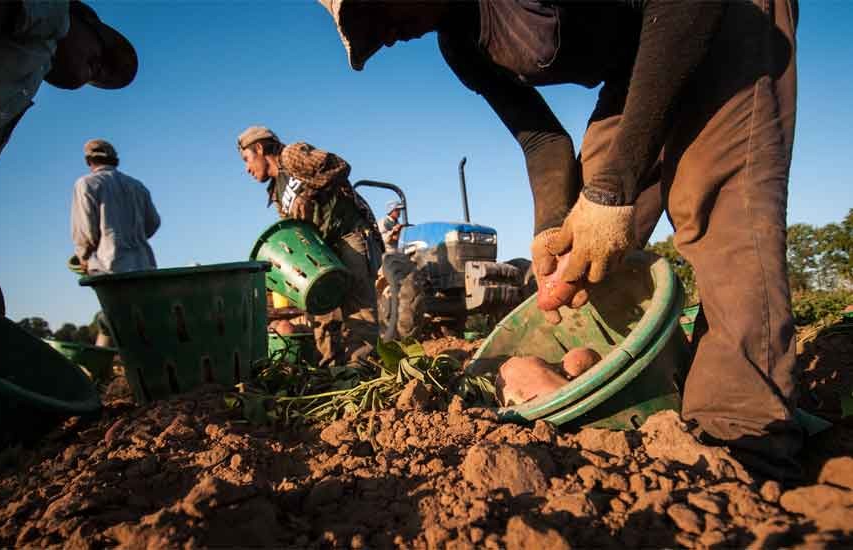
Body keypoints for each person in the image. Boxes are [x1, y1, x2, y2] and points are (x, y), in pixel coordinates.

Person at [319, 0, 802, 480]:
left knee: (714, 203)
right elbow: (543, 141)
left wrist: (611, 191)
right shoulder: (462, 47)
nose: (382, 39)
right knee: (586, 239)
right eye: (366, 35)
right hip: (640, 57)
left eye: (372, 13)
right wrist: (551, 226)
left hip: (724, 14)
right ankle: (635, 382)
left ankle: (742, 435)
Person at [0, 0, 138, 317]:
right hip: (136, 266)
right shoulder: (54, 14)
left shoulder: (19, 89)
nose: (101, 69)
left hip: (109, 266)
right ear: (82, 19)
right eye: (101, 52)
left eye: (101, 74)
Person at [237, 126, 383, 366]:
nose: (247, 169)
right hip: (325, 250)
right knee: (321, 311)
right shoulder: (276, 193)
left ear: (260, 148)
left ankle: (361, 371)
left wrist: (309, 193)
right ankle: (332, 372)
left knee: (358, 311)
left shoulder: (291, 156)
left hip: (349, 234)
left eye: (247, 159)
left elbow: (340, 166)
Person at [71, 139, 160, 346]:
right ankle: (108, 365)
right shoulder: (137, 186)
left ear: (89, 160)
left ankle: (101, 366)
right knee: (135, 316)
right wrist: (133, 236)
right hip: (143, 264)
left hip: (109, 265)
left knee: (114, 316)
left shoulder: (86, 184)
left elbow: (85, 232)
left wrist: (83, 257)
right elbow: (153, 223)